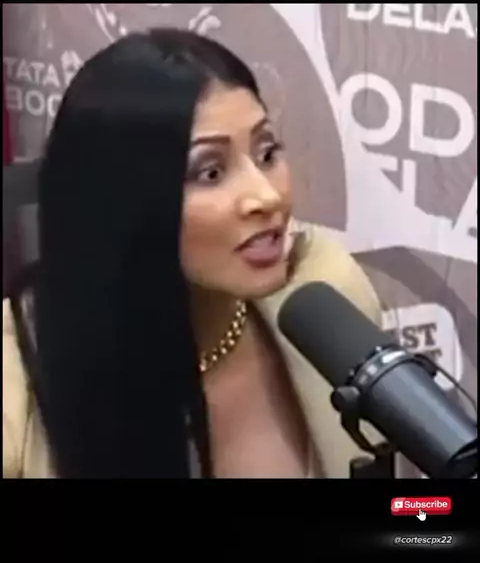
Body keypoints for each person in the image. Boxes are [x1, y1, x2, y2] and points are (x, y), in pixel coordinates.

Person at [2, 28, 383, 479]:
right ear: (121, 203)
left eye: (266, 153)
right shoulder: (14, 377)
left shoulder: (327, 289)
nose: (266, 197)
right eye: (211, 172)